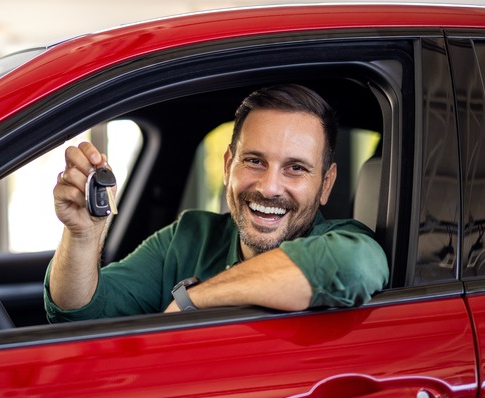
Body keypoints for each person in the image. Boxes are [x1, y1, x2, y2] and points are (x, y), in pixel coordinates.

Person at [44, 84, 389, 322]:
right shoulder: (187, 238)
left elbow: (353, 268)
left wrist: (193, 300)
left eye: (295, 168)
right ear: (228, 167)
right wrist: (82, 235)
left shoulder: (345, 240)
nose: (269, 188)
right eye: (254, 161)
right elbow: (81, 314)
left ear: (325, 184)